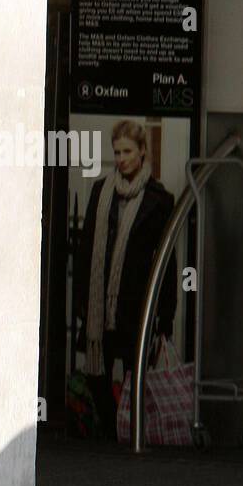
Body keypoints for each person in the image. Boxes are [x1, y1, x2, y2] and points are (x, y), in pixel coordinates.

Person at [73, 119, 178, 439]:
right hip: (98, 303)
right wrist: (80, 298)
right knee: (96, 375)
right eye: (117, 152)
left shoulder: (159, 200)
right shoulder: (100, 191)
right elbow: (87, 247)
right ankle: (108, 432)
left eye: (128, 151)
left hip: (134, 303)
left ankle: (129, 435)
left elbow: (166, 262)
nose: (121, 158)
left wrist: (166, 314)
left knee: (136, 375)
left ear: (143, 152)